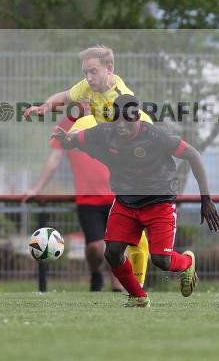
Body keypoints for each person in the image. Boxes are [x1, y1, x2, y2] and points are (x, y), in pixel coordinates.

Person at [51, 95, 219, 308]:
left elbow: (193, 155)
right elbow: (74, 140)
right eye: (117, 119)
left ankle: (187, 263)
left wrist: (206, 199)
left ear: (137, 118)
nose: (121, 125)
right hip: (126, 202)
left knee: (162, 261)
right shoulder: (106, 133)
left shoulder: (155, 136)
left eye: (126, 120)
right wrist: (65, 139)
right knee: (112, 253)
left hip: (159, 201)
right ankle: (138, 296)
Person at [23, 45, 151, 283]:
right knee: (113, 247)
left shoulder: (122, 101)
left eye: (93, 71)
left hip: (137, 163)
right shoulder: (88, 88)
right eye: (86, 72)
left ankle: (141, 282)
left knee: (138, 246)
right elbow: (63, 97)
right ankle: (128, 286)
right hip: (109, 179)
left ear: (109, 69)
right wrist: (45, 107)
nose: (88, 78)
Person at [22, 107, 148, 292]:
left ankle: (118, 287)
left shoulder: (112, 121)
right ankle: (96, 275)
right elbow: (55, 158)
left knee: (118, 246)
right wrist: (36, 188)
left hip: (119, 196)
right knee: (96, 247)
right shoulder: (68, 124)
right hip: (89, 199)